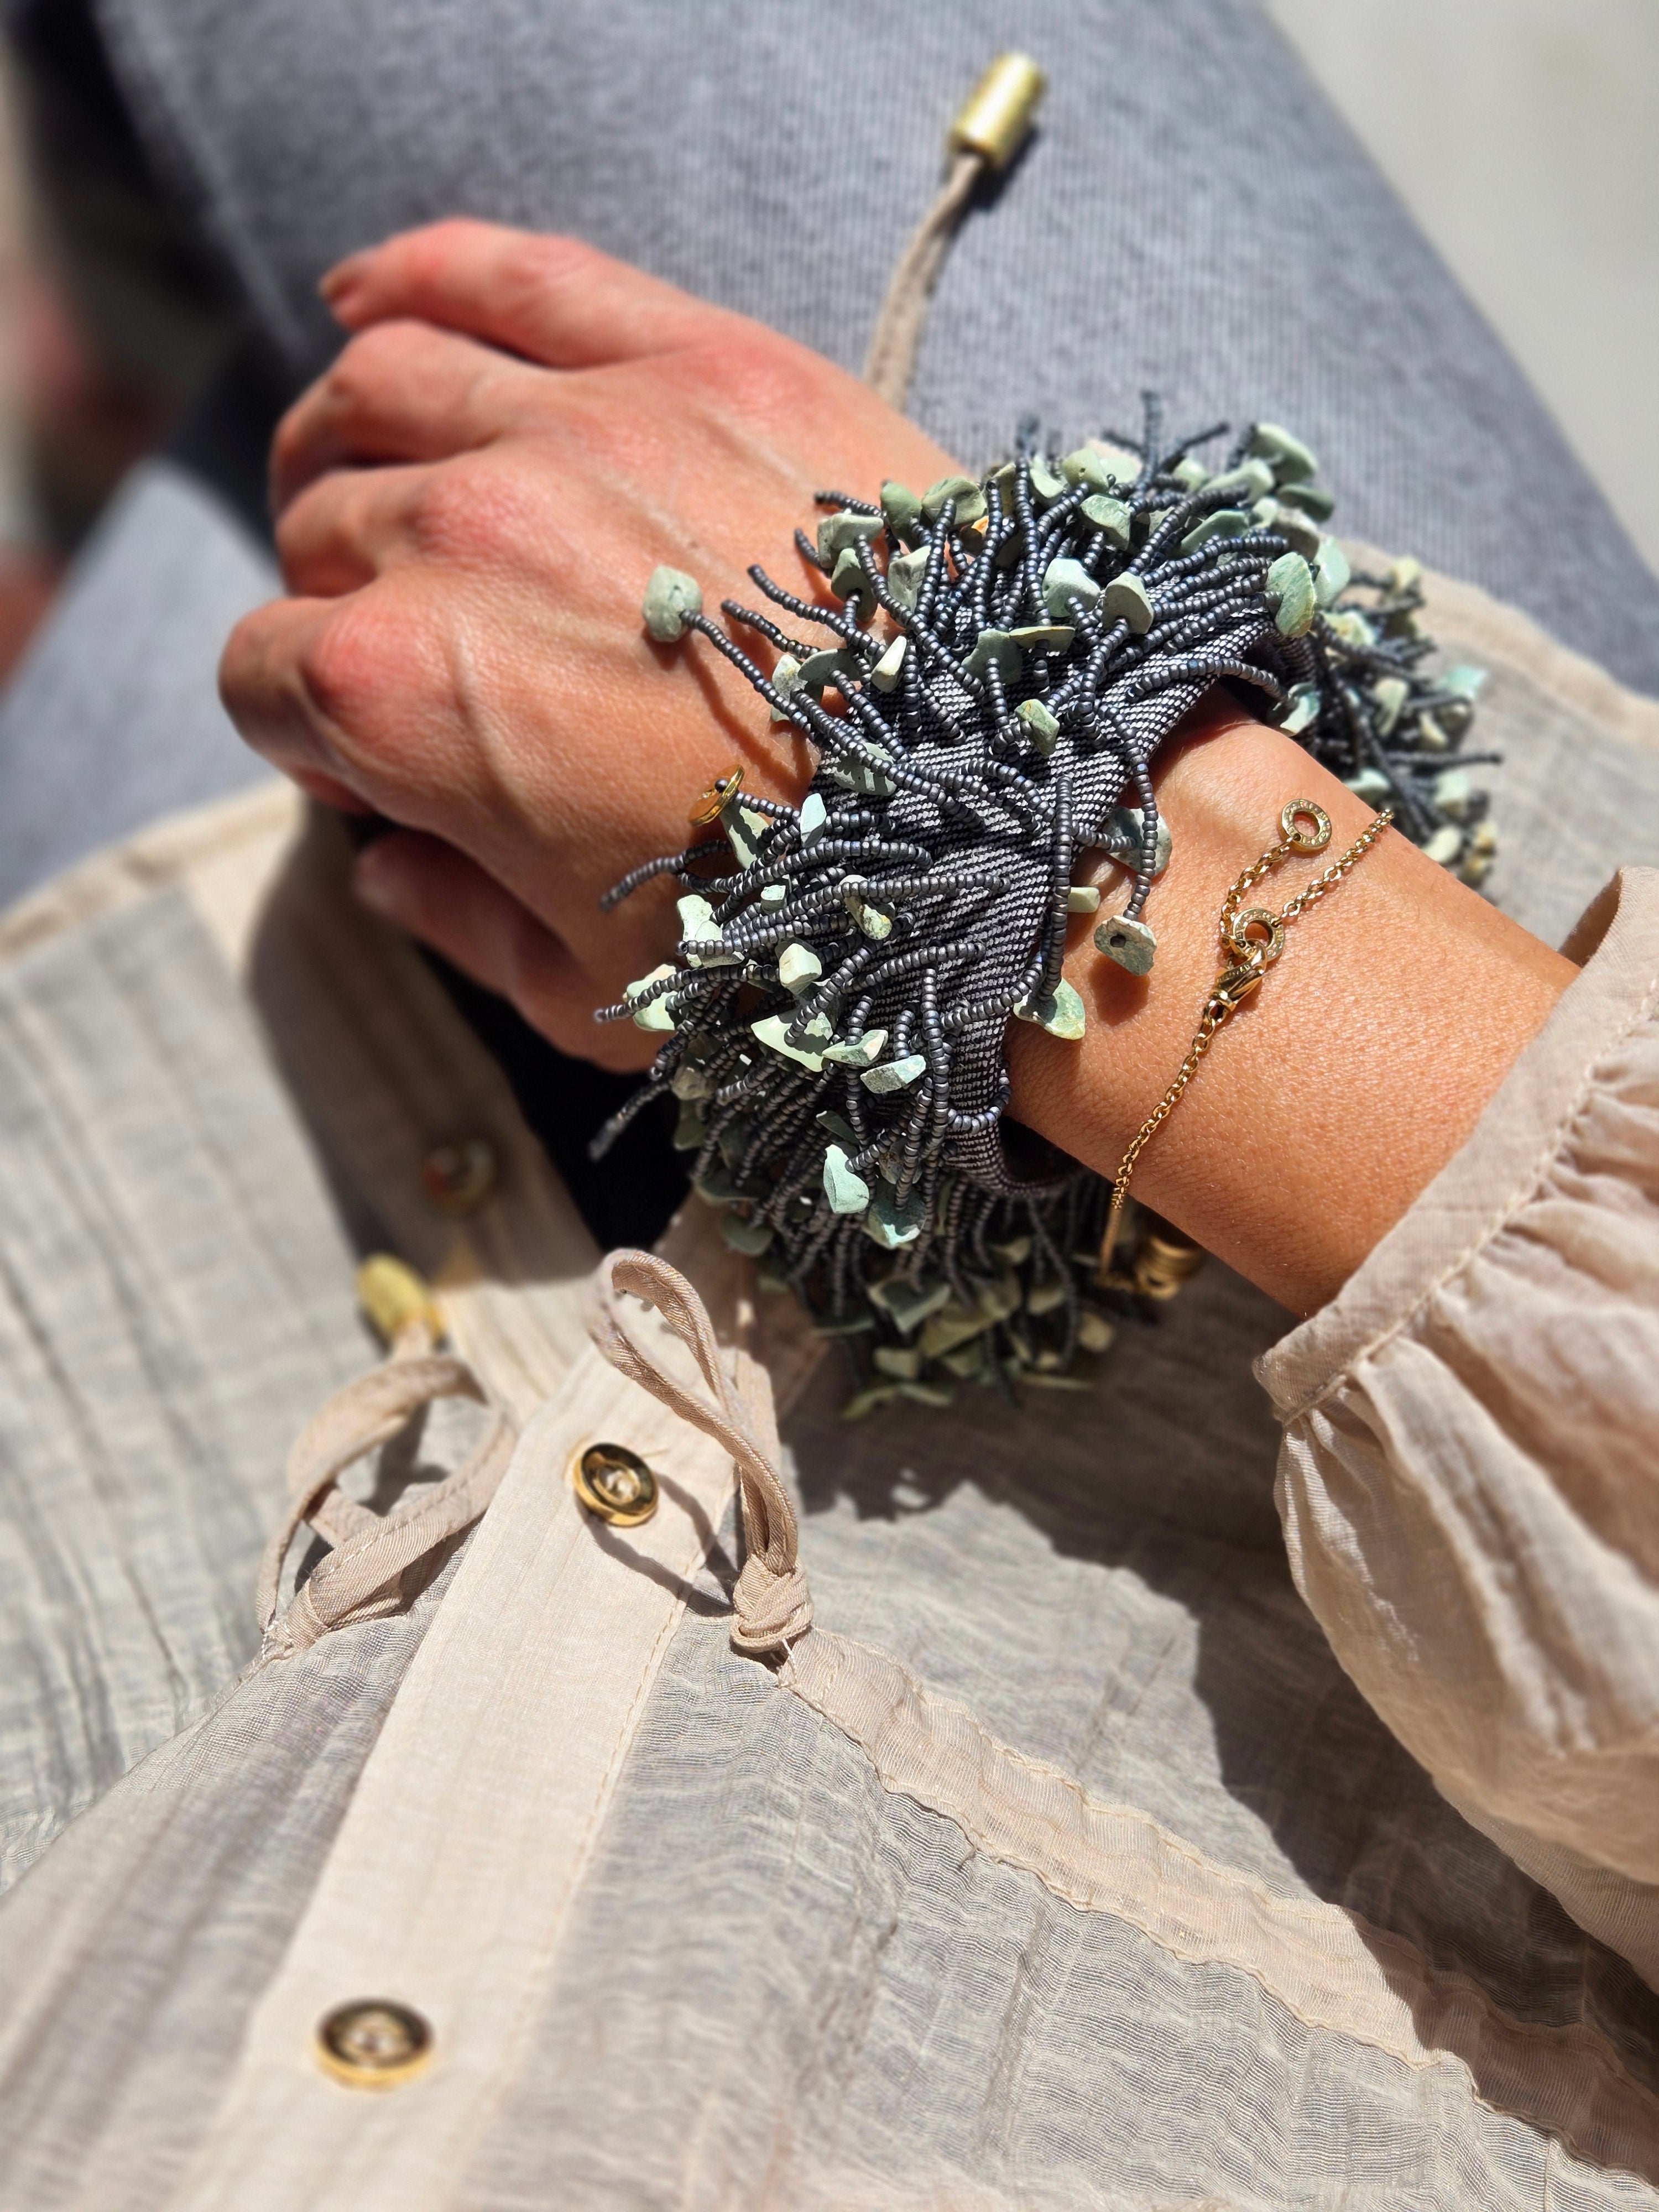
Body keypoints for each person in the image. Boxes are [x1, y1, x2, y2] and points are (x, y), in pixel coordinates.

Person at [0, 6, 1656, 2207]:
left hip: (120, 1481)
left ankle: (110, 406)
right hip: (1342, 1104)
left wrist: (943, 789)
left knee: (260, 452)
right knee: (365, 420)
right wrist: (1067, 836)